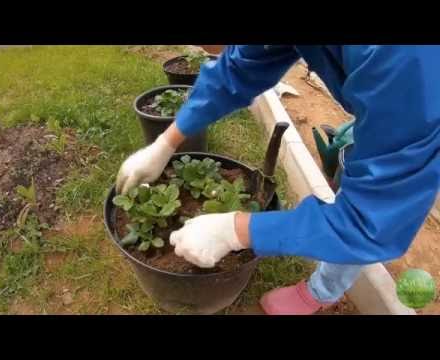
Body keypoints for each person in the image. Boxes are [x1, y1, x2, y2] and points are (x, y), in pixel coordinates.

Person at [116, 45, 440, 315]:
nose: (202, 50)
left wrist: (237, 230)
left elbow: (371, 222)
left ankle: (321, 293)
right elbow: (240, 68)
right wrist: (166, 142)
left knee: (371, 199)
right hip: (399, 100)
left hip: (419, 96)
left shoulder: (405, 60)